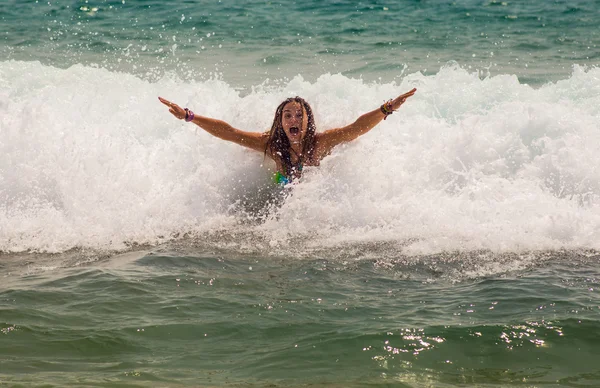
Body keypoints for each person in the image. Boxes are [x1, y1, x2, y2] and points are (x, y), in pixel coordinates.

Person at [158, 88, 416, 185]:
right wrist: (189, 116)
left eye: (299, 115)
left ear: (308, 121)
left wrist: (386, 109)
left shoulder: (320, 142)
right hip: (280, 194)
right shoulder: (269, 144)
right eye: (288, 116)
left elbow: (356, 128)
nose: (294, 120)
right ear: (280, 123)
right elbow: (229, 132)